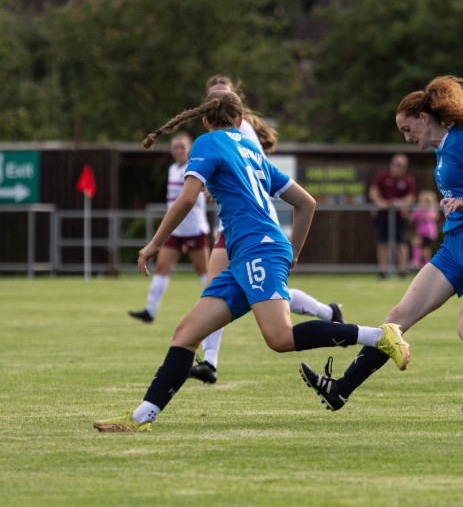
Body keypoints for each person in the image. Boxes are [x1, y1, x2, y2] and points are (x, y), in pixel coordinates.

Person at [93, 90, 410, 432]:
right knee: (186, 333)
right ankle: (141, 417)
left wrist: (154, 243)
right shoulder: (250, 149)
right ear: (241, 121)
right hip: (250, 253)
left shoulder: (207, 143)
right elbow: (306, 203)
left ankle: (378, 335)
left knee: (280, 338)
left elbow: (187, 199)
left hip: (256, 249)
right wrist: (294, 253)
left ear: (205, 121)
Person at [299, 75, 463, 417]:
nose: (407, 137)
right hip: (453, 246)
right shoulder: (443, 148)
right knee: (395, 319)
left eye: (407, 128)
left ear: (424, 118)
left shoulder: (461, 141)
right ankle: (341, 390)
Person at [188, 75, 345, 385]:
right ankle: (211, 362)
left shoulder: (238, 130)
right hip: (235, 224)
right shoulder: (220, 133)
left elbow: (254, 175)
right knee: (233, 290)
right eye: (212, 97)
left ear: (235, 104)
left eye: (222, 95)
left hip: (254, 224)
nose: (217, 101)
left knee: (240, 293)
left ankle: (333, 317)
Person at [128, 132, 210, 323]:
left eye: (183, 146)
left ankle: (214, 307)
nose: (180, 150)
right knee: (162, 267)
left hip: (194, 229)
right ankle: (150, 311)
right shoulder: (173, 169)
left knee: (203, 270)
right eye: (176, 147)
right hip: (175, 230)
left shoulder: (195, 167)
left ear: (189, 148)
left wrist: (208, 189)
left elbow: (207, 184)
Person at [370, 153, 416, 277]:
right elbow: (373, 191)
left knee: (401, 243)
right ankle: (383, 271)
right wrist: (382, 203)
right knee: (383, 243)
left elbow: (410, 197)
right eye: (397, 164)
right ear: (392, 164)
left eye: (402, 166)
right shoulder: (382, 176)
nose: (399, 168)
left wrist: (399, 203)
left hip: (399, 216)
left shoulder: (407, 179)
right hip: (383, 216)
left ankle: (402, 270)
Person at [410, 189, 439, 268]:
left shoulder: (431, 210)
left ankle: (424, 263)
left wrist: (425, 213)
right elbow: (413, 217)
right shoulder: (418, 208)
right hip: (420, 232)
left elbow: (433, 217)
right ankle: (417, 261)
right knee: (417, 245)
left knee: (425, 249)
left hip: (428, 233)